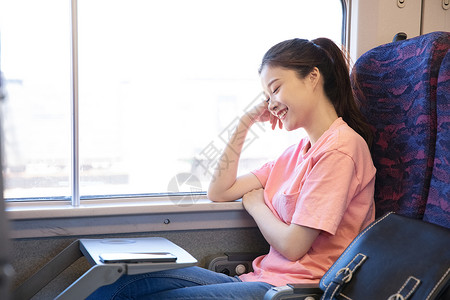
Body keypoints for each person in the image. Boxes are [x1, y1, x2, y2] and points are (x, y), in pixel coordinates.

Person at [87, 37, 376, 300]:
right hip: (261, 278)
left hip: (294, 290)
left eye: (275, 88)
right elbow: (220, 191)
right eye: (266, 96)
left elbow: (294, 246)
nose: (271, 103)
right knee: (122, 284)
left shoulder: (341, 149)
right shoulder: (295, 153)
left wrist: (256, 204)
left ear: (313, 77)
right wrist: (244, 123)